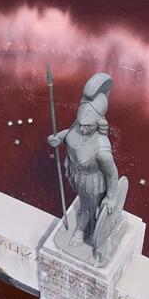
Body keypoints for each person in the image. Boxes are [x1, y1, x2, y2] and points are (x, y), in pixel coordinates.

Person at [47, 73, 119, 247]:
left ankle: (81, 230)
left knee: (88, 208)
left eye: (88, 126)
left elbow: (112, 174)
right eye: (81, 124)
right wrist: (59, 137)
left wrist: (111, 197)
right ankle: (86, 211)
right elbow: (70, 134)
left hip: (91, 183)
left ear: (99, 123)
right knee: (84, 202)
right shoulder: (80, 124)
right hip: (76, 174)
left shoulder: (102, 149)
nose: (82, 129)